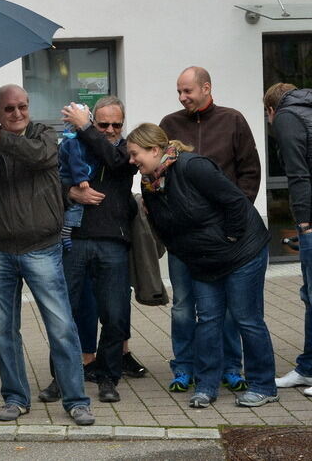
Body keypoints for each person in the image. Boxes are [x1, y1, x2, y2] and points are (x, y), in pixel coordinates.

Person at [0, 84, 95, 426]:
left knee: (61, 326)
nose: (18, 113)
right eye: (9, 109)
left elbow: (38, 157)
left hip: (42, 248)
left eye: (22, 106)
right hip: (0, 250)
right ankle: (15, 398)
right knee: (4, 330)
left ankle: (76, 400)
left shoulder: (44, 134)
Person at [128, 123, 276, 408]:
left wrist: (229, 237)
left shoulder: (193, 167)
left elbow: (234, 202)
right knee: (207, 320)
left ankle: (264, 385)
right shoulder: (150, 185)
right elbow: (163, 228)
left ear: (155, 150)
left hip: (242, 252)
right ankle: (206, 387)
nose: (132, 161)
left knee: (247, 319)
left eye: (135, 154)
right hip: (204, 261)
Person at [159, 66, 260, 393]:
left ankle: (231, 367)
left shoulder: (233, 120)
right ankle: (184, 367)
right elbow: (158, 175)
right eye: (179, 92)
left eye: (187, 91)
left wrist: (236, 220)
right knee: (183, 306)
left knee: (228, 307)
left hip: (225, 238)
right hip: (183, 239)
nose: (182, 97)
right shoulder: (169, 125)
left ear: (206, 87)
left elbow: (250, 172)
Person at [36, 97, 138, 405]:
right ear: (95, 122)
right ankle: (62, 378)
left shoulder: (125, 149)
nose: (109, 129)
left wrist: (86, 129)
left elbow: (115, 162)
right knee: (63, 314)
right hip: (74, 240)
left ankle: (108, 376)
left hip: (113, 241)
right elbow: (51, 179)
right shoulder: (72, 143)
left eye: (115, 124)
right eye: (102, 124)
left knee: (115, 315)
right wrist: (69, 191)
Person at [264, 83, 312, 393]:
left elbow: (298, 173)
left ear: (270, 110)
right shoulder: (307, 110)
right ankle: (307, 368)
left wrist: (305, 223)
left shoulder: (286, 117)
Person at [58, 105, 100, 251]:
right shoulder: (73, 142)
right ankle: (66, 231)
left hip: (72, 176)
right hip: (71, 178)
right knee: (76, 205)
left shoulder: (74, 140)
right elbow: (75, 161)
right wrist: (81, 178)